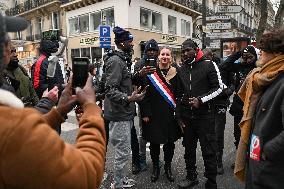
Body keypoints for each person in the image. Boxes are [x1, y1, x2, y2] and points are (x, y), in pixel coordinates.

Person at [0, 14, 106, 189]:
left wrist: (57, 112)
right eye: (8, 46)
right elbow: (86, 175)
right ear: (4, 52)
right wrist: (91, 107)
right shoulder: (13, 128)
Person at [234, 29, 284, 188]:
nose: (260, 51)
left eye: (264, 48)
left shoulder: (281, 81)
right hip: (258, 163)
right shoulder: (265, 76)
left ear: (277, 52)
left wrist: (267, 150)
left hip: (271, 172)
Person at [176, 39, 223, 189]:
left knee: (208, 151)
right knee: (188, 150)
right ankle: (191, 177)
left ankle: (211, 181)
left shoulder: (209, 65)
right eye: (183, 51)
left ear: (196, 49)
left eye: (188, 50)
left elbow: (219, 88)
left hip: (205, 116)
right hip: (187, 118)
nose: (185, 53)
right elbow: (178, 94)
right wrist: (178, 115)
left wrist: (201, 100)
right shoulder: (181, 69)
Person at [103, 26, 146, 189]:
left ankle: (120, 180)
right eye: (129, 42)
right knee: (122, 153)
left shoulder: (121, 60)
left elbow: (123, 83)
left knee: (124, 150)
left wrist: (138, 75)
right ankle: (118, 184)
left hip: (124, 113)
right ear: (122, 43)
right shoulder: (115, 61)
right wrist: (129, 98)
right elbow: (110, 90)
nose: (132, 44)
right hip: (119, 114)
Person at [139, 46, 181, 182]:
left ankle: (168, 167)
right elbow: (144, 94)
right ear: (158, 56)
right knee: (154, 143)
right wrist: (145, 112)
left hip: (170, 114)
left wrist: (179, 113)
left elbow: (180, 94)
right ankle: (156, 167)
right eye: (162, 54)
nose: (165, 57)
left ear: (171, 57)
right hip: (153, 114)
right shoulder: (151, 72)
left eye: (167, 54)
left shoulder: (176, 72)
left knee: (170, 143)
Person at [219, 45, 258, 164]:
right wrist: (238, 53)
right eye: (245, 57)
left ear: (255, 57)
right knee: (238, 134)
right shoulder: (240, 66)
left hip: (252, 106)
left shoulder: (258, 68)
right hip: (238, 106)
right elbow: (224, 65)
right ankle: (240, 159)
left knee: (252, 134)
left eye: (250, 57)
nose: (248, 60)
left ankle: (251, 160)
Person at [203, 48, 235, 174]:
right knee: (207, 134)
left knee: (218, 133)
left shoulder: (224, 65)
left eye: (206, 58)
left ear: (211, 55)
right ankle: (210, 161)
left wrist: (228, 91)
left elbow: (233, 83)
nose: (205, 60)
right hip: (207, 104)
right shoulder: (202, 66)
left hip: (221, 103)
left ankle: (218, 161)